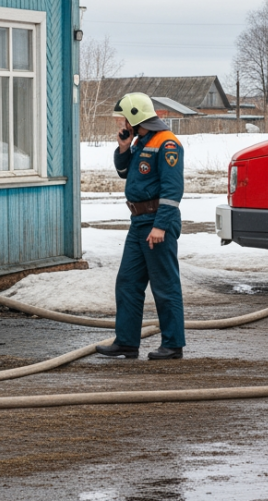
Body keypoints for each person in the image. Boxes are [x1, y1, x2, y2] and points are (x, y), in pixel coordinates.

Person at [95, 93, 186, 360]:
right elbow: (125, 173)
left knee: (165, 285)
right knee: (128, 282)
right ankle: (126, 342)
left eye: (125, 118)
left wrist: (160, 226)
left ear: (135, 117)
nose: (122, 122)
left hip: (157, 222)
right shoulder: (140, 142)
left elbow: (172, 189)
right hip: (138, 223)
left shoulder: (167, 144)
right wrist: (123, 149)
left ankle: (173, 344)